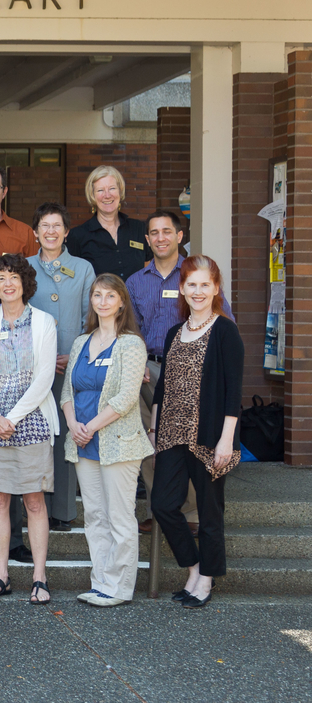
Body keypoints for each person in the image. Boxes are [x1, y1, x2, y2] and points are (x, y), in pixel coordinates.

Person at [126, 211, 234, 535]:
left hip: (189, 372)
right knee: (150, 441)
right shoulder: (135, 281)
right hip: (146, 370)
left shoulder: (194, 276)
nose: (160, 238)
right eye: (154, 233)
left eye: (167, 232)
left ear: (180, 235)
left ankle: (189, 513)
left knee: (188, 441)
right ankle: (159, 511)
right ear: (147, 240)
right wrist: (137, 360)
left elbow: (223, 323)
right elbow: (130, 327)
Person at [150, 255, 243, 609]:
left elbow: (234, 390)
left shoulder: (225, 330)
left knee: (209, 510)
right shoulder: (175, 333)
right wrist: (154, 428)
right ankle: (194, 566)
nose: (199, 291)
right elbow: (163, 387)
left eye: (206, 284)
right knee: (163, 505)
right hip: (172, 434)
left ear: (216, 288)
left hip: (209, 436)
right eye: (192, 284)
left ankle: (206, 578)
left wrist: (226, 439)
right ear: (182, 289)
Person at [60, 273, 153, 607]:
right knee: (95, 515)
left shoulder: (131, 344)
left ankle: (121, 588)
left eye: (109, 296)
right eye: (97, 295)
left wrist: (91, 426)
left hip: (118, 441)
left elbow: (127, 397)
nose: (102, 301)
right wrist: (73, 424)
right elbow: (68, 390)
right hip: (84, 441)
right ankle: (101, 582)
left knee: (119, 516)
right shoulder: (80, 342)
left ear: (121, 302)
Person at [0, 254, 58, 605]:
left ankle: (39, 577)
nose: (8, 284)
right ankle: (2, 575)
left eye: (14, 277)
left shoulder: (44, 322)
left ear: (25, 283)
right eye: (1, 278)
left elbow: (45, 377)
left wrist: (15, 417)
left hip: (32, 420)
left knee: (35, 500)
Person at [16, 203, 96, 540]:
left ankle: (63, 510)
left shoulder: (83, 268)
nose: (50, 231)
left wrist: (72, 355)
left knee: (65, 438)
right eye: (44, 226)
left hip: (70, 368)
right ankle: (32, 508)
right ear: (35, 232)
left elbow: (89, 318)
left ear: (66, 232)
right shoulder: (24, 267)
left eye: (57, 226)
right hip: (30, 370)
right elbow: (16, 315)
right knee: (31, 437)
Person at [65, 165, 151, 280]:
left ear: (120, 191)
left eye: (112, 188)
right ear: (92, 195)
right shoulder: (77, 236)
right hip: (97, 298)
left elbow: (148, 267)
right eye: (100, 190)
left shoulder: (139, 228)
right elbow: (71, 277)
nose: (107, 195)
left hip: (137, 298)